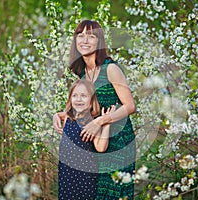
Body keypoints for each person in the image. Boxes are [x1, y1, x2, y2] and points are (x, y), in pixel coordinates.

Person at [53, 19, 136, 199]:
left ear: (99, 41)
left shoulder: (110, 69)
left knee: (111, 194)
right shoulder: (84, 73)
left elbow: (130, 106)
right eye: (80, 36)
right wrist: (59, 115)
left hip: (118, 140)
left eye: (91, 36)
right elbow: (86, 109)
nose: (84, 40)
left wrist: (100, 121)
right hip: (96, 141)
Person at [58, 79, 115, 200]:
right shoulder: (68, 117)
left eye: (83, 96)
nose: (78, 99)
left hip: (85, 176)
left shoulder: (92, 122)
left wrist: (106, 123)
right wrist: (55, 116)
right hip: (66, 173)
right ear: (70, 99)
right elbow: (60, 114)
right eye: (75, 96)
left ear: (91, 102)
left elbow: (100, 147)